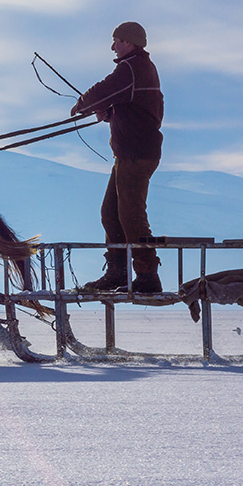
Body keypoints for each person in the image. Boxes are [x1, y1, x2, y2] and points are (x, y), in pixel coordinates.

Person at [70, 21, 164, 293]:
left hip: (136, 154)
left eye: (116, 41)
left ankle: (147, 276)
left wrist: (83, 104)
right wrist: (110, 115)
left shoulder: (132, 68)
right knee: (111, 213)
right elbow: (139, 110)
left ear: (130, 42)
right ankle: (117, 272)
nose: (113, 46)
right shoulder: (140, 69)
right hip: (130, 154)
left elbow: (104, 89)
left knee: (131, 215)